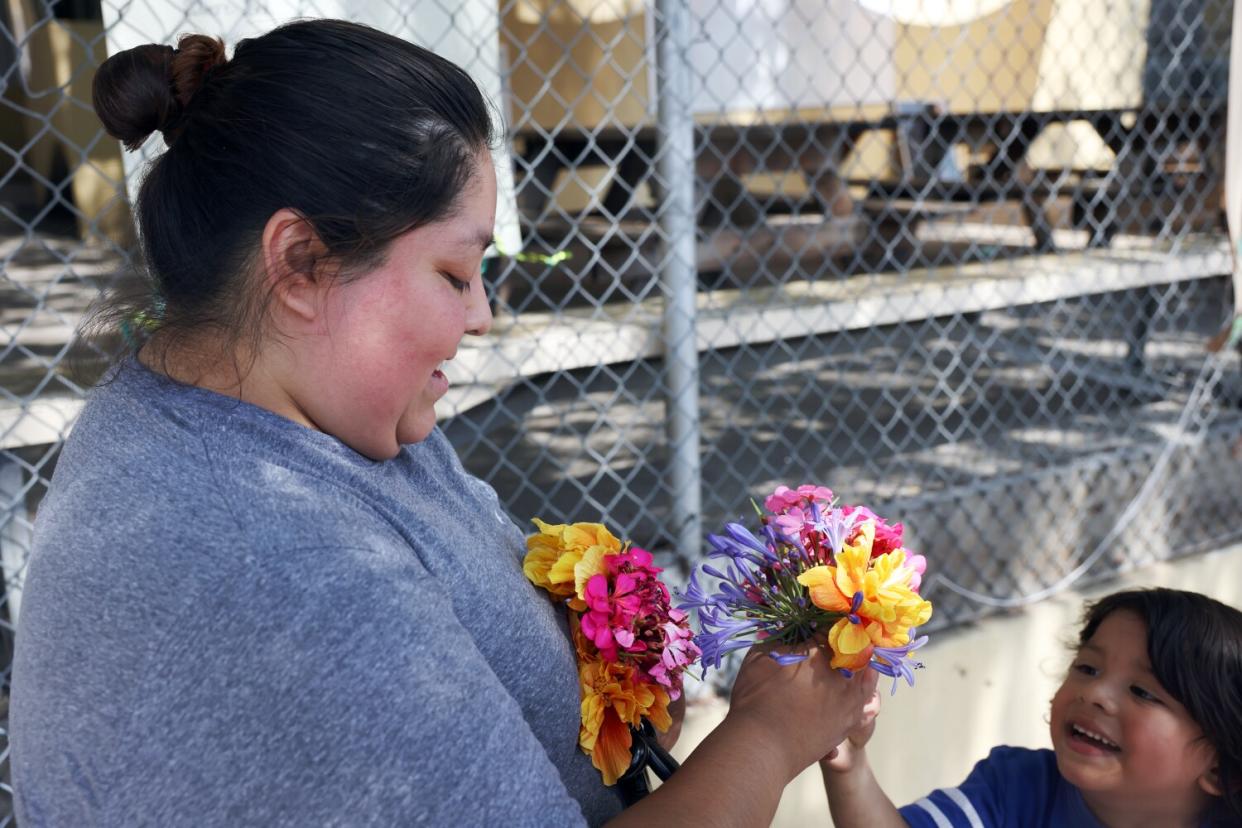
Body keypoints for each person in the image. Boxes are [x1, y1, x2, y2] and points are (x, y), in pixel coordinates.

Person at [9, 19, 878, 827]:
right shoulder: (268, 563)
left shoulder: (302, 413)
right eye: (457, 274)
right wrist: (767, 735)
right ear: (302, 264)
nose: (484, 316)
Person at [821, 587, 1242, 827]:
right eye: (1088, 667)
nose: (1094, 694)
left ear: (1218, 769)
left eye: (1143, 691)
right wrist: (850, 762)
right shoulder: (1016, 789)